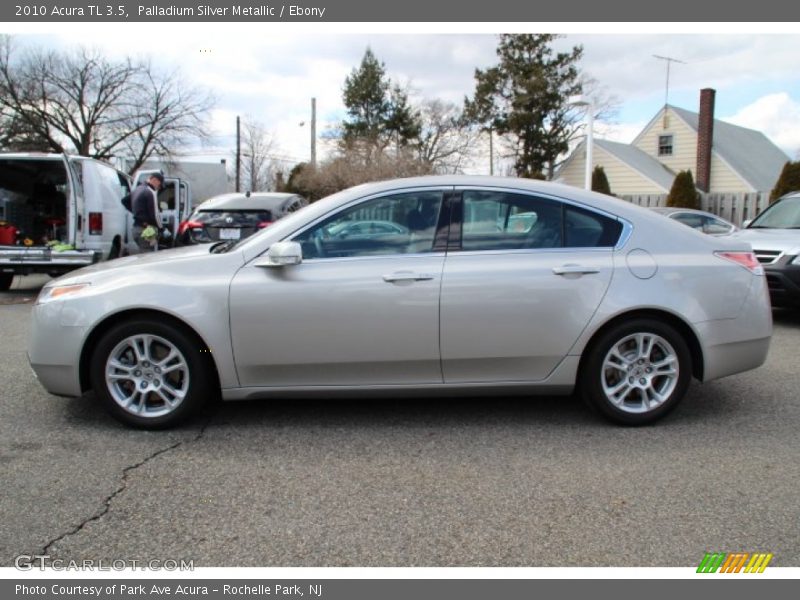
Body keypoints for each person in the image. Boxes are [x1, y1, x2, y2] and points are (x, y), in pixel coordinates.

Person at [131, 173, 164, 252]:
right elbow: (155, 215)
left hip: (135, 228)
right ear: (154, 180)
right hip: (146, 230)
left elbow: (125, 201)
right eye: (159, 186)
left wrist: (137, 213)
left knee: (142, 254)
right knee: (148, 257)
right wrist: (161, 229)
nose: (158, 188)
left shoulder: (137, 189)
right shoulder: (150, 192)